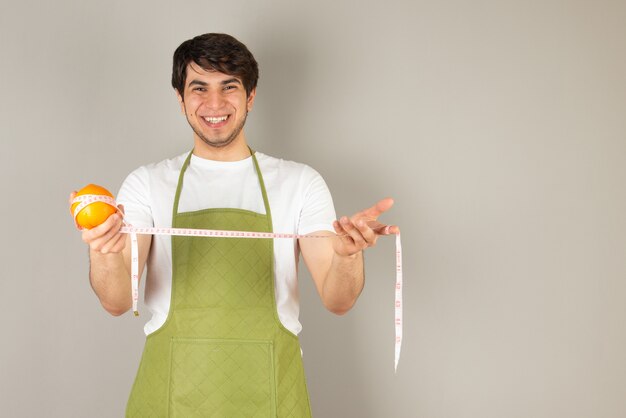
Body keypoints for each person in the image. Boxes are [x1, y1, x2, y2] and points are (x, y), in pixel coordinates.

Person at [71, 33, 397, 417]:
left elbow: (338, 300)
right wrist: (103, 250)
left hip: (272, 393)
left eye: (229, 87)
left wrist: (346, 256)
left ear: (251, 97)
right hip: (171, 394)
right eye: (199, 88)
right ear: (180, 99)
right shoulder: (147, 183)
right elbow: (116, 302)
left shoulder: (299, 183)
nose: (214, 103)